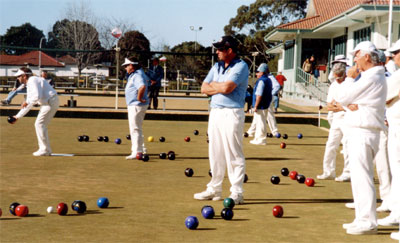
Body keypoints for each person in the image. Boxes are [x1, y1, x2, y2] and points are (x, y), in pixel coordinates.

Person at [334, 41, 387, 235]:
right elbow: (348, 102)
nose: (354, 59)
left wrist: (349, 79)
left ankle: (368, 222)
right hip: (360, 130)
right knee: (358, 178)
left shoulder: (371, 77)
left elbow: (343, 97)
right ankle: (361, 217)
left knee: (363, 178)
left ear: (366, 56)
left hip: (364, 131)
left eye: (356, 55)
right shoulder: (370, 77)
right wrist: (351, 104)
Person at [193, 36, 249, 205]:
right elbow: (203, 88)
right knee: (215, 151)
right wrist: (219, 87)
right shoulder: (216, 66)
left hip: (232, 113)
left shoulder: (241, 66)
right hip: (215, 112)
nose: (216, 52)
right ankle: (214, 188)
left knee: (233, 152)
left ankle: (237, 192)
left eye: (219, 49)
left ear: (229, 50)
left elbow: (227, 87)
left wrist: (216, 86)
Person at [377, 39, 400, 241]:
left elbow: (382, 97)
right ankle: (396, 213)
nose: (393, 57)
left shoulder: (397, 76)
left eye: (396, 53)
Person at [9, 67, 59, 156]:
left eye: (19, 76)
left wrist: (27, 102)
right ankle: (46, 150)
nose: (18, 78)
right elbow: (29, 103)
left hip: (50, 102)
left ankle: (45, 150)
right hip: (47, 103)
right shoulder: (29, 84)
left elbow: (36, 96)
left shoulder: (32, 80)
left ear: (24, 76)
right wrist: (17, 116)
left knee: (39, 124)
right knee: (40, 124)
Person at [317, 60, 353, 182]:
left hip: (348, 118)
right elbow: (329, 105)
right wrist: (340, 106)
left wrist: (340, 106)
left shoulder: (350, 83)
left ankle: (348, 173)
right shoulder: (333, 85)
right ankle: (328, 171)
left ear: (344, 74)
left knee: (348, 145)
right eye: (335, 77)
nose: (337, 79)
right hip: (337, 118)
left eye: (339, 77)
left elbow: (351, 105)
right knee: (331, 144)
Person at [122, 58, 149, 160]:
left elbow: (142, 86)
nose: (125, 68)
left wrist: (139, 97)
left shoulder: (137, 75)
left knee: (135, 129)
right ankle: (141, 149)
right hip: (135, 105)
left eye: (126, 66)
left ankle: (136, 151)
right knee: (137, 128)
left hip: (136, 105)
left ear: (131, 66)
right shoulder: (137, 74)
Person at [247, 65, 280, 136]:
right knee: (258, 115)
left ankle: (274, 132)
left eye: (258, 71)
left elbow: (277, 86)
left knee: (268, 115)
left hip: (265, 99)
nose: (257, 73)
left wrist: (270, 94)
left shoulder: (269, 77)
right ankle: (251, 132)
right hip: (264, 98)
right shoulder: (265, 78)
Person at [248, 63, 272, 145]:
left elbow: (259, 95)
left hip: (261, 105)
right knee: (259, 121)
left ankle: (261, 139)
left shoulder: (261, 81)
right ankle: (257, 138)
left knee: (261, 122)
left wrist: (256, 106)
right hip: (265, 104)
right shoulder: (268, 80)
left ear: (262, 72)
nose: (257, 74)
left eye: (258, 72)